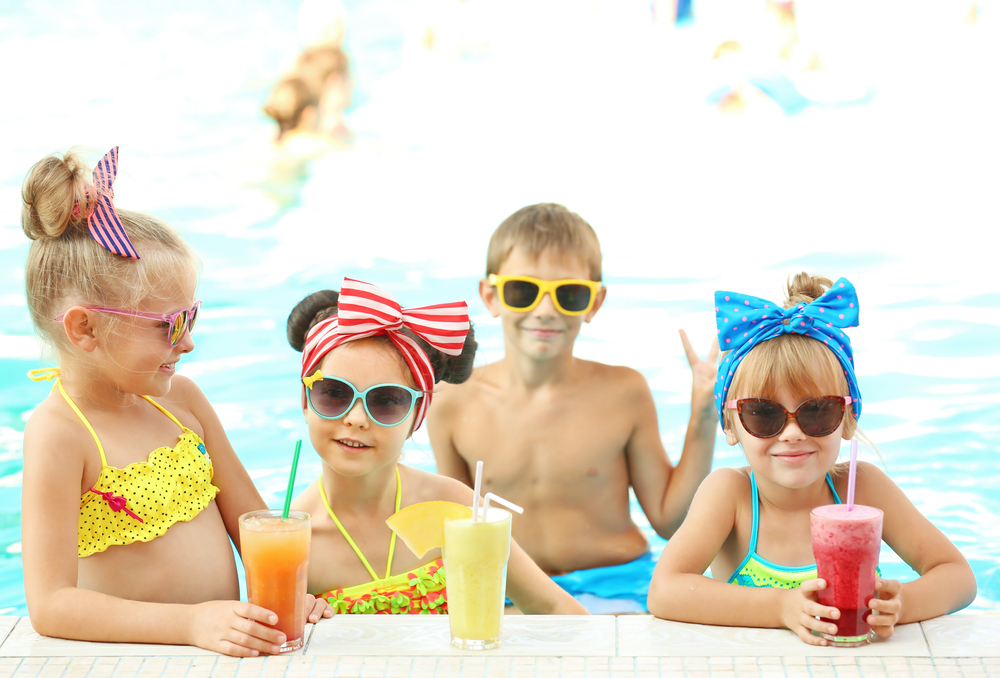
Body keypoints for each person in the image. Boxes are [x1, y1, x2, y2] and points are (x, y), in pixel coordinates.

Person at [19, 147, 330, 657]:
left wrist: (295, 588)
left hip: (227, 648)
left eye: (193, 317)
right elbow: (51, 605)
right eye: (171, 325)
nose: (187, 343)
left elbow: (253, 523)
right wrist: (190, 624)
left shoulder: (181, 401)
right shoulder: (61, 433)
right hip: (137, 661)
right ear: (85, 328)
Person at [647, 273, 977, 644]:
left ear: (848, 419)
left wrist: (902, 604)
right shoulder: (732, 497)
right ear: (731, 424)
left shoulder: (864, 488)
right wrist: (780, 608)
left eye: (817, 411)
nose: (792, 433)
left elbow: (959, 577)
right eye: (763, 413)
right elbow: (664, 591)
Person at [428, 203, 719, 613]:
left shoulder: (623, 391)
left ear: (594, 302)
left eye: (569, 294)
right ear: (491, 296)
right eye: (523, 290)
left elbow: (670, 522)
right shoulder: (451, 402)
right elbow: (455, 533)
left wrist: (703, 413)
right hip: (512, 592)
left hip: (621, 585)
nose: (545, 310)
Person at [287, 278, 588, 615]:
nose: (356, 418)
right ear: (304, 399)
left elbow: (550, 605)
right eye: (334, 393)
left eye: (386, 400)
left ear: (417, 415)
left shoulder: (453, 506)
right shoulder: (291, 542)